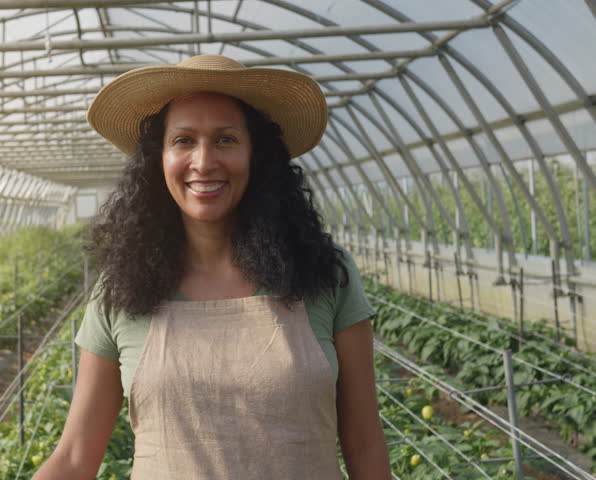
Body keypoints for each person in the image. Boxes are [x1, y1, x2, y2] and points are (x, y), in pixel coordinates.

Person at [33, 55, 391, 479]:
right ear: (158, 159)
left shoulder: (322, 274)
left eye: (225, 139)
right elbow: (75, 457)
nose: (203, 162)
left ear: (256, 155)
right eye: (183, 140)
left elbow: (365, 445)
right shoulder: (124, 289)